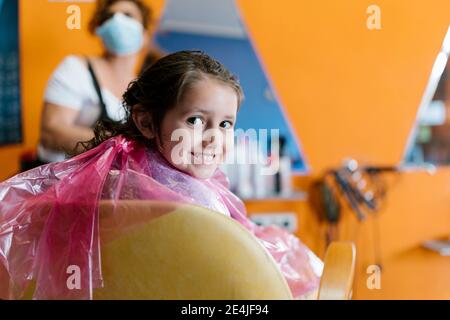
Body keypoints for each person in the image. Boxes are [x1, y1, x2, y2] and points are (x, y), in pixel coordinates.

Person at [0, 51, 322, 300]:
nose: (214, 138)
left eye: (225, 124)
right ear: (146, 122)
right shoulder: (192, 202)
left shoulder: (115, 178)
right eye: (196, 120)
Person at [37, 0, 155, 164]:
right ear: (100, 30)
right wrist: (123, 143)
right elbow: (51, 134)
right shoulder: (75, 69)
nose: (117, 20)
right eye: (109, 16)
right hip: (59, 181)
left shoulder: (147, 89)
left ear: (145, 34)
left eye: (128, 15)